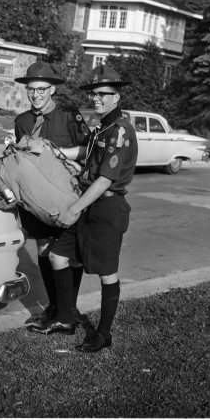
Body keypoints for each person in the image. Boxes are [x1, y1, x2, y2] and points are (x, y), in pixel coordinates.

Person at [55, 65, 138, 352]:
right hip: (90, 202)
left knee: (107, 273)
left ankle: (103, 334)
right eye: (94, 93)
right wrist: (63, 157)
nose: (96, 98)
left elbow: (105, 179)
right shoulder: (101, 126)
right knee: (59, 256)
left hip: (107, 208)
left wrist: (73, 209)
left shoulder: (120, 130)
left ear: (117, 97)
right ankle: (66, 316)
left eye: (103, 94)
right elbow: (89, 159)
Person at [13, 61, 89, 335]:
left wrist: (63, 155)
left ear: (52, 89)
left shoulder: (69, 115)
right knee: (44, 249)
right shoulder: (22, 121)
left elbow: (88, 150)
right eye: (31, 90)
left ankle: (69, 308)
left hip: (66, 195)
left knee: (70, 255)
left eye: (41, 89)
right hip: (36, 199)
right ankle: (55, 307)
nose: (36, 95)